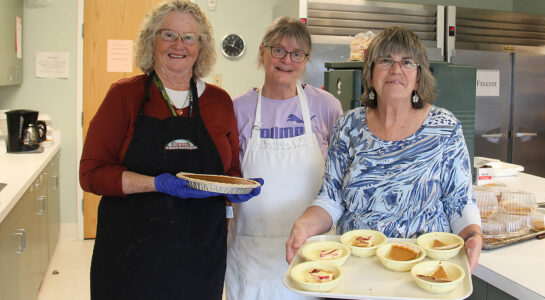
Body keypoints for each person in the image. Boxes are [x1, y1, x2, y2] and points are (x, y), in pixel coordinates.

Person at [79, 1, 261, 299]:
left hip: (200, 252)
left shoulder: (219, 102)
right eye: (168, 35)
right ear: (152, 41)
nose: (179, 45)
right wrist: (156, 183)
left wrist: (236, 188)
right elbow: (91, 174)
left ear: (201, 47)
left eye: (189, 37)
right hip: (131, 253)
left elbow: (229, 170)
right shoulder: (125, 95)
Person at [286, 26, 483, 273]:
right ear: (370, 73)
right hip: (357, 267)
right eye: (386, 60)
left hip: (424, 270)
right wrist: (304, 224)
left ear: (419, 75)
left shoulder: (445, 127)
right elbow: (332, 198)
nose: (396, 69)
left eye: (407, 62)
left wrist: (473, 235)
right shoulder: (349, 126)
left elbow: (459, 201)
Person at [225, 16, 343, 300]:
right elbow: (226, 173)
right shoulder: (238, 108)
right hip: (252, 252)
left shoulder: (326, 106)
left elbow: (341, 176)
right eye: (278, 50)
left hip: (314, 251)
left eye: (297, 53)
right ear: (262, 52)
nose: (286, 60)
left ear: (306, 59)